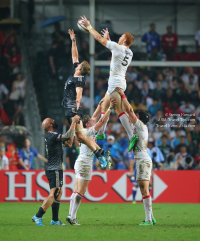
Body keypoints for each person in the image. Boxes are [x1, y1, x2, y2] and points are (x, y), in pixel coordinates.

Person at [81, 16, 138, 152]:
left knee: (118, 110)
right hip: (120, 81)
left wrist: (89, 27)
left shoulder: (118, 48)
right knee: (103, 105)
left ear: (124, 40)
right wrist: (110, 40)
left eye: (121, 37)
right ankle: (101, 134)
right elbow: (116, 49)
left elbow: (99, 40)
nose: (119, 38)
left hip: (115, 83)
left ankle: (132, 136)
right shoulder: (130, 52)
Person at [62, 29, 108, 169]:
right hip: (70, 107)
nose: (77, 64)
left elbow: (79, 91)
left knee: (80, 137)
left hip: (72, 107)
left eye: (80, 65)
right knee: (81, 137)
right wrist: (73, 40)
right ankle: (100, 153)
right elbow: (74, 55)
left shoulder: (80, 78)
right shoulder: (76, 71)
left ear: (81, 69)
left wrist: (76, 104)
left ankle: (100, 154)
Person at [67, 99, 115, 225]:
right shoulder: (88, 131)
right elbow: (101, 121)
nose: (94, 120)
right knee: (80, 192)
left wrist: (100, 105)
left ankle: (70, 215)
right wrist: (109, 108)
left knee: (76, 190)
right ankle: (72, 217)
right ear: (87, 124)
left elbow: (94, 116)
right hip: (85, 163)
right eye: (91, 121)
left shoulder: (86, 130)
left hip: (80, 162)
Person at [115, 87, 156, 226]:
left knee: (144, 189)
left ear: (139, 118)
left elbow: (130, 111)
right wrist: (117, 106)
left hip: (142, 160)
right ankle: (152, 217)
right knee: (144, 188)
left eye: (135, 115)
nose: (133, 116)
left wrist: (122, 94)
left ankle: (148, 220)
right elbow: (125, 113)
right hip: (142, 159)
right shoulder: (138, 129)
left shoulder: (140, 126)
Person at [32, 115, 80, 226]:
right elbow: (67, 135)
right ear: (49, 125)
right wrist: (73, 122)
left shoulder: (52, 137)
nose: (54, 120)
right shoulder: (52, 135)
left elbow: (68, 142)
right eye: (51, 120)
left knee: (58, 195)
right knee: (54, 194)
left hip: (54, 169)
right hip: (54, 169)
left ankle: (55, 220)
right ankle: (38, 215)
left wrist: (74, 128)